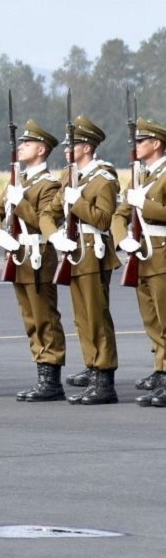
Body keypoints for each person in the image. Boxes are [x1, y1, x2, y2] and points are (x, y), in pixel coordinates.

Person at [0, 120, 68, 402]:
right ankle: (41, 370)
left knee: (44, 316)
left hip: (39, 256)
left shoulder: (50, 185)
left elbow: (45, 220)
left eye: (27, 143)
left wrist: (20, 203)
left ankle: (51, 376)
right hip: (18, 255)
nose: (21, 147)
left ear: (42, 150)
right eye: (21, 143)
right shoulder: (17, 182)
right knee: (30, 318)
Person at [49, 116, 121, 405]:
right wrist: (53, 234)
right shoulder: (71, 177)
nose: (68, 149)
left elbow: (104, 220)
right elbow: (52, 210)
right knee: (81, 318)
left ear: (88, 146)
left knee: (96, 316)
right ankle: (93, 368)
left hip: (94, 253)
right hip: (74, 252)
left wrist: (77, 201)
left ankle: (104, 380)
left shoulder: (103, 178)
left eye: (74, 144)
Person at [112, 118, 166, 407]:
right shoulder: (139, 177)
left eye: (141, 141)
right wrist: (122, 239)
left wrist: (143, 203)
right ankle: (161, 371)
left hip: (162, 253)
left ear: (155, 143)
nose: (136, 146)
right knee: (152, 320)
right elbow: (118, 215)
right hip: (142, 254)